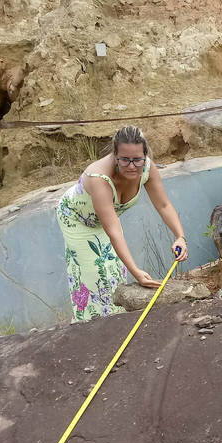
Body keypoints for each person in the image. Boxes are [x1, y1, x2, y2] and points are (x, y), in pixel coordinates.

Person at [56, 125, 188, 322]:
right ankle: (88, 328)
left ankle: (115, 322)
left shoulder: (147, 168)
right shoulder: (98, 178)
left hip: (103, 222)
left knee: (114, 273)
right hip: (77, 219)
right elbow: (114, 231)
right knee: (94, 276)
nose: (132, 166)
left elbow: (163, 205)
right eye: (125, 160)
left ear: (145, 155)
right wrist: (136, 271)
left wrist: (180, 237)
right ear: (114, 155)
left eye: (137, 159)